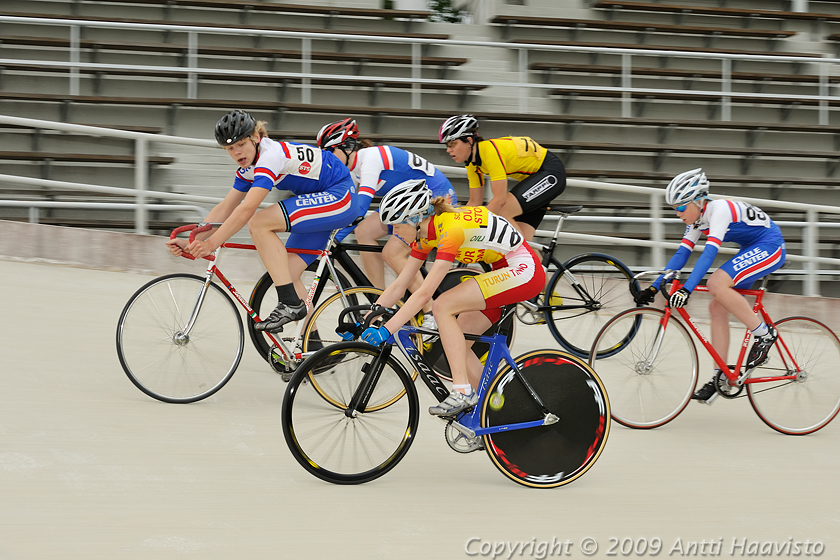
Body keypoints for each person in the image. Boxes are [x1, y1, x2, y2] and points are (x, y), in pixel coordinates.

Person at [359, 179, 546, 417]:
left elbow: (425, 293)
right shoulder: (428, 234)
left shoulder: (450, 231)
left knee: (443, 305)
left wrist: (387, 330)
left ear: (415, 218)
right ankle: (493, 411)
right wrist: (368, 317)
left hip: (523, 270)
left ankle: (462, 392)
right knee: (459, 343)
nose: (393, 233)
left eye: (395, 226)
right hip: (503, 269)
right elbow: (399, 284)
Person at [166, 109, 357, 336]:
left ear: (256, 138)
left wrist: (211, 244)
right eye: (230, 148)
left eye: (241, 144)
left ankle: (289, 302)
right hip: (323, 198)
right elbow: (225, 207)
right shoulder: (249, 167)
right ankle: (312, 347)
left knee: (259, 222)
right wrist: (193, 240)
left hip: (340, 195)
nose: (237, 152)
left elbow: (247, 208)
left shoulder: (269, 156)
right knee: (286, 271)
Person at [634, 168, 786, 403]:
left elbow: (708, 255)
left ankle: (764, 335)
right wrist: (654, 287)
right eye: (674, 208)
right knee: (716, 308)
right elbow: (681, 255)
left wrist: (687, 289)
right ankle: (721, 377)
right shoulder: (697, 219)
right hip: (751, 247)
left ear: (697, 200)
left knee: (716, 283)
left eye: (681, 207)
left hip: (770, 246)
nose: (677, 213)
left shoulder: (718, 211)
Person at [316, 117, 458, 332]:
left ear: (346, 147)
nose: (326, 158)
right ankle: (379, 299)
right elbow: (346, 210)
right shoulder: (351, 171)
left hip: (434, 198)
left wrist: (332, 238)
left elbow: (360, 207)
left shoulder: (370, 158)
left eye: (329, 151)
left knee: (392, 253)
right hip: (406, 203)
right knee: (364, 231)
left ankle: (430, 310)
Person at [438, 114, 566, 242]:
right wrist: (453, 216)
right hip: (535, 178)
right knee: (524, 240)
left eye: (452, 144)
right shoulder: (472, 163)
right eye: (447, 146)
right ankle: (535, 261)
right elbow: (475, 202)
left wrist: (479, 224)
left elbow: (500, 200)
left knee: (503, 212)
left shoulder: (489, 151)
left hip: (550, 172)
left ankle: (524, 258)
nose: (448, 150)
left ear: (469, 141)